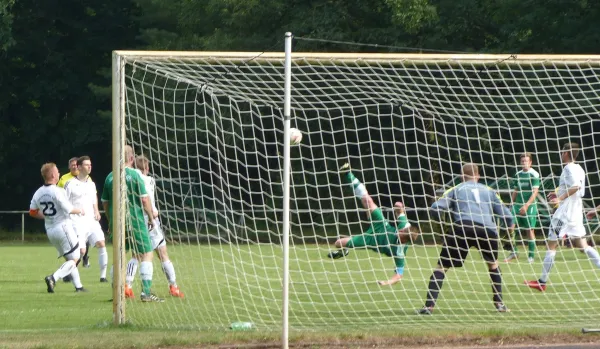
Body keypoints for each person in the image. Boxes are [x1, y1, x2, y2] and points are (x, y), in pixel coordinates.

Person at [418, 163, 514, 314]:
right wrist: (508, 237)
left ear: (461, 176)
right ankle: (499, 304)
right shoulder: (489, 190)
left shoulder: (457, 188)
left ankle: (428, 306)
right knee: (493, 265)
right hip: (487, 230)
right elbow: (508, 216)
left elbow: (436, 208)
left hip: (462, 227)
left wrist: (442, 226)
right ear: (479, 176)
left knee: (441, 267)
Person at [326, 163, 419, 286]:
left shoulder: (399, 252)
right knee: (367, 200)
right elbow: (400, 210)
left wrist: (387, 282)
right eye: (401, 230)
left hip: (371, 240)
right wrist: (398, 207)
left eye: (401, 233)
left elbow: (399, 275)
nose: (400, 231)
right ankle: (348, 173)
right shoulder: (405, 226)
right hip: (381, 225)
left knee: (338, 243)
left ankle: (344, 251)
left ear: (403, 240)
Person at [525, 143, 600, 292]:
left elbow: (576, 186)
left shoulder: (568, 168)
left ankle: (542, 282)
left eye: (562, 151)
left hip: (565, 214)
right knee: (583, 246)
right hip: (576, 212)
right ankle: (541, 281)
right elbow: (575, 188)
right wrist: (558, 195)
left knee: (551, 245)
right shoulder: (579, 168)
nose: (560, 153)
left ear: (566, 153)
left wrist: (560, 199)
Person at [101, 145, 163, 302]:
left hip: (117, 223)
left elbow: (105, 202)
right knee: (147, 253)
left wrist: (110, 221)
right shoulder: (136, 176)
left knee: (119, 256)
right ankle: (146, 293)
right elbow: (144, 198)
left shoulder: (110, 177)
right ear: (131, 159)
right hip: (135, 220)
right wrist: (150, 217)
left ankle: (117, 294)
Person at [123, 155, 184, 298]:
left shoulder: (128, 177)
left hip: (135, 219)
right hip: (149, 219)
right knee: (162, 254)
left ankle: (128, 285)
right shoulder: (149, 180)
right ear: (147, 168)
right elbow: (146, 199)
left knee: (137, 254)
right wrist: (152, 215)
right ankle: (173, 286)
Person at [29, 163, 87, 293]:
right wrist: (80, 210)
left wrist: (47, 217)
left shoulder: (38, 192)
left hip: (50, 230)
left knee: (69, 258)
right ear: (53, 175)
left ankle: (79, 287)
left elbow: (32, 212)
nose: (59, 174)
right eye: (58, 172)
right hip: (63, 228)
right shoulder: (57, 191)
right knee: (75, 258)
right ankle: (53, 278)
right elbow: (69, 209)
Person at [64, 156, 108, 282]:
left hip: (91, 220)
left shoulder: (91, 184)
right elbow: (65, 203)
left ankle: (103, 276)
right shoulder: (70, 184)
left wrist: (96, 211)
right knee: (81, 251)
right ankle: (64, 273)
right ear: (78, 167)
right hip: (77, 221)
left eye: (90, 164)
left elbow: (94, 199)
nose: (89, 167)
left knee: (101, 243)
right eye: (86, 164)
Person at [504, 152, 540, 263]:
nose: (524, 163)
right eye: (522, 161)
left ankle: (531, 256)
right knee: (510, 227)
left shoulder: (534, 174)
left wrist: (527, 205)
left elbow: (535, 192)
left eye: (526, 161)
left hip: (530, 206)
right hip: (517, 204)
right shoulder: (518, 174)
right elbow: (516, 190)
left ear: (530, 162)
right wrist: (511, 205)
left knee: (529, 230)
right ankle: (514, 252)